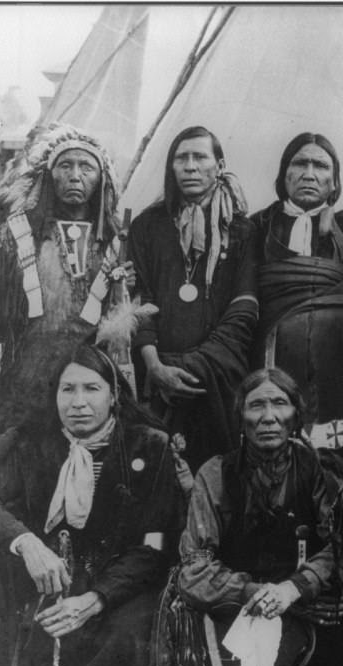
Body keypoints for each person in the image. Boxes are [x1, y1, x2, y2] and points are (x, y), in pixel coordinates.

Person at [0, 344, 182, 666]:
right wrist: (25, 542)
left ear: (114, 394)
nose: (79, 402)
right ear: (54, 396)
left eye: (91, 388)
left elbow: (153, 550)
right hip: (39, 577)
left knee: (134, 634)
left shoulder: (148, 446)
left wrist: (95, 599)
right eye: (67, 390)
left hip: (110, 585)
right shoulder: (28, 443)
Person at [158, 368, 343, 666]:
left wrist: (294, 588)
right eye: (256, 406)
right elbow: (194, 567)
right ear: (241, 418)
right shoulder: (215, 474)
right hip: (233, 602)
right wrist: (253, 592)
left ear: (295, 416)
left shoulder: (319, 472)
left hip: (300, 602)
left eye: (280, 404)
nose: (269, 417)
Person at [0, 124, 123, 438]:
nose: (75, 175)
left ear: (101, 178)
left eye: (86, 167)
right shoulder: (18, 234)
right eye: (65, 165)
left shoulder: (116, 242)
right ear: (49, 176)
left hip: (86, 380)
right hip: (27, 375)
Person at [129, 125, 258, 473]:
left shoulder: (242, 230)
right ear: (171, 167)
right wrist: (155, 367)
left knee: (215, 477)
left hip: (217, 381)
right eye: (181, 158)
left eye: (200, 157)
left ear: (219, 164)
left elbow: (243, 310)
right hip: (157, 379)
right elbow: (141, 300)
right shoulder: (148, 226)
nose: (190, 166)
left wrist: (193, 366)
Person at [250, 132, 343, 340]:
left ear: (334, 181)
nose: (309, 174)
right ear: (284, 174)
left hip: (332, 340)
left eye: (321, 166)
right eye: (300, 164)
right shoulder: (260, 224)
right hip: (268, 340)